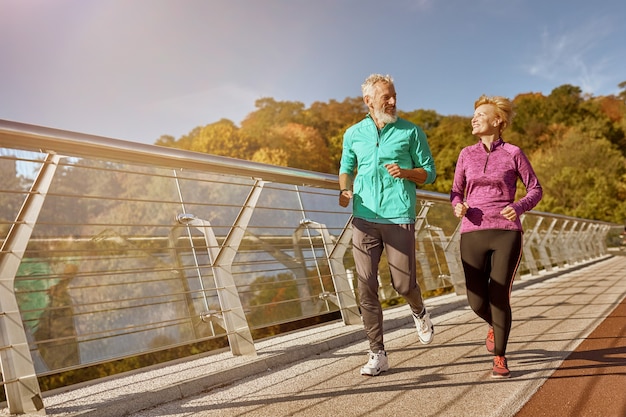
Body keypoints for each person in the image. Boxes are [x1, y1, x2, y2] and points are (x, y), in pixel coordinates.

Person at [339, 74, 437, 376]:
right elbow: (346, 168)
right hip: (364, 218)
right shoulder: (353, 133)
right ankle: (377, 353)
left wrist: (407, 173)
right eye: (386, 97)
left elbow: (430, 172)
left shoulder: (411, 131)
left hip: (398, 214)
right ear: (369, 101)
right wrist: (345, 189)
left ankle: (419, 311)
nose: (393, 101)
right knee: (365, 284)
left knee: (403, 284)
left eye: (394, 95)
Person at [450, 94, 543, 378]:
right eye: (473, 115)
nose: (473, 118)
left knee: (499, 296)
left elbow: (535, 189)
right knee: (477, 300)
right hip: (472, 231)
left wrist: (517, 207)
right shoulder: (466, 154)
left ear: (497, 121)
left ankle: (500, 356)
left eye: (480, 114)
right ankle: (495, 324)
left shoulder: (513, 153)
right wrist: (458, 205)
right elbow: (455, 190)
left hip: (506, 233)